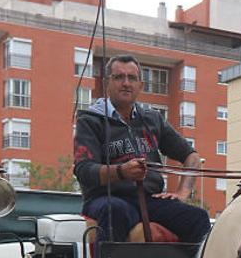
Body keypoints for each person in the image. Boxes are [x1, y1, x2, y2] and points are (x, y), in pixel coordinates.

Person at [73, 54, 210, 244]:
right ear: (107, 83)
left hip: (149, 199)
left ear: (140, 85)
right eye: (119, 77)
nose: (126, 83)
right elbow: (84, 170)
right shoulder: (90, 120)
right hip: (106, 199)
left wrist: (182, 193)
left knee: (198, 218)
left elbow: (191, 157)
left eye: (132, 78)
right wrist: (122, 172)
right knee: (115, 212)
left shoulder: (152, 119)